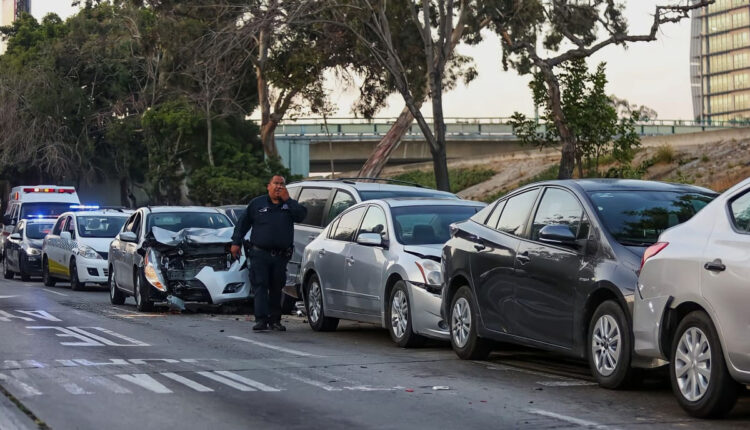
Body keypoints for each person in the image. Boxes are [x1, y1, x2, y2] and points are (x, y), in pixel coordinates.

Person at [231, 175, 307, 331]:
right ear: (268, 186)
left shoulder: (289, 205)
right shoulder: (257, 203)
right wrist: (236, 242)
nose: (278, 187)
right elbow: (243, 224)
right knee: (260, 285)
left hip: (280, 255)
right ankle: (261, 319)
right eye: (275, 183)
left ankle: (275, 320)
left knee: (276, 287)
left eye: (281, 184)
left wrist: (289, 201)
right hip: (260, 253)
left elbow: (301, 216)